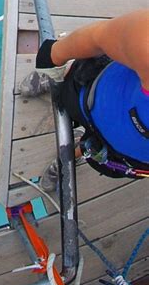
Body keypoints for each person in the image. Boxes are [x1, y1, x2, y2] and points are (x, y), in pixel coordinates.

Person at [21, 10, 149, 180]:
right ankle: (57, 74)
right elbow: (99, 37)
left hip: (128, 159)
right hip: (91, 92)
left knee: (96, 151)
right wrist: (53, 56)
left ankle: (70, 158)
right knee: (73, 79)